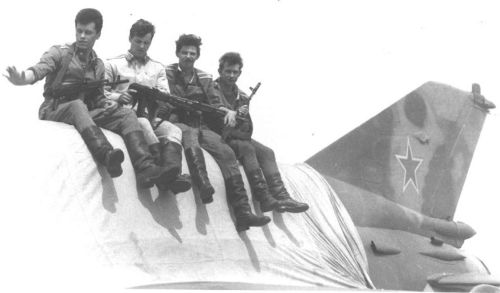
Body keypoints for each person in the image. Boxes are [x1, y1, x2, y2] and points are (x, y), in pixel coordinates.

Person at [4, 8, 174, 189]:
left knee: (125, 114)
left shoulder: (98, 64)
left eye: (88, 32)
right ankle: (106, 154)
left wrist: (106, 103)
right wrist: (22, 79)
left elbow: (98, 96)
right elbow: (39, 69)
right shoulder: (60, 53)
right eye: (79, 31)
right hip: (55, 109)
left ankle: (146, 167)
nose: (82, 36)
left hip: (84, 112)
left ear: (98, 34)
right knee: (77, 105)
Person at [163, 34, 270, 232]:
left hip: (201, 124)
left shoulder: (204, 78)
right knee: (189, 136)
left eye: (192, 53)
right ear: (177, 53)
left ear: (197, 56)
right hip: (177, 122)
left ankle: (243, 212)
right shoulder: (166, 72)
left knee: (227, 153)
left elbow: (215, 103)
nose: (188, 56)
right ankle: (203, 184)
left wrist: (229, 111)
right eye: (184, 52)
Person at [212, 52, 309, 213]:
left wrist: (242, 117)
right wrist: (230, 113)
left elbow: (248, 128)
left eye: (235, 72)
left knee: (267, 152)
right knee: (246, 149)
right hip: (219, 134)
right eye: (228, 71)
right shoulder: (212, 89)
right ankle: (263, 196)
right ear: (220, 71)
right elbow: (212, 112)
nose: (231, 75)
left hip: (238, 135)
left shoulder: (241, 96)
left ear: (239, 73)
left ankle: (282, 195)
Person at [104, 19, 191, 194]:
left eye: (146, 43)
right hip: (126, 116)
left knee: (174, 131)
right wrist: (119, 96)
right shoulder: (112, 63)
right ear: (130, 38)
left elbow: (165, 95)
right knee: (142, 123)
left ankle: (172, 171)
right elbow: (101, 92)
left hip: (151, 116)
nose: (142, 46)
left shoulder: (157, 68)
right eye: (138, 41)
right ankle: (164, 174)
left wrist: (154, 97)